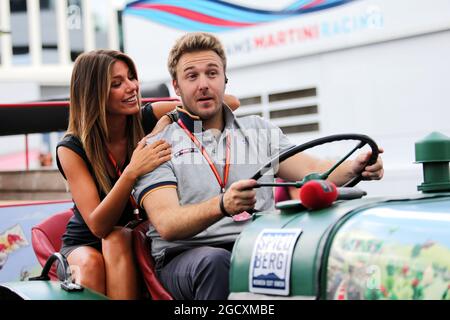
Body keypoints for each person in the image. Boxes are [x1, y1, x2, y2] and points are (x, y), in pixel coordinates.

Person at [133, 32, 384, 300]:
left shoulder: (258, 131)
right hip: (185, 257)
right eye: (192, 76)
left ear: (225, 79)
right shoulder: (158, 145)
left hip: (256, 248)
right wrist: (223, 205)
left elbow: (315, 170)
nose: (204, 84)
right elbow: (168, 223)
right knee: (214, 263)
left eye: (212, 73)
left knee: (324, 254)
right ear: (177, 87)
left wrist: (356, 167)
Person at [56, 49, 240, 299]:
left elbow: (231, 102)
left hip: (139, 234)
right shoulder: (72, 147)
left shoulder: (147, 117)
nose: (132, 87)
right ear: (94, 93)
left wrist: (170, 117)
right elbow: (98, 226)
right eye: (117, 84)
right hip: (88, 241)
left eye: (132, 77)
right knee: (104, 249)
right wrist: (132, 171)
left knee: (123, 238)